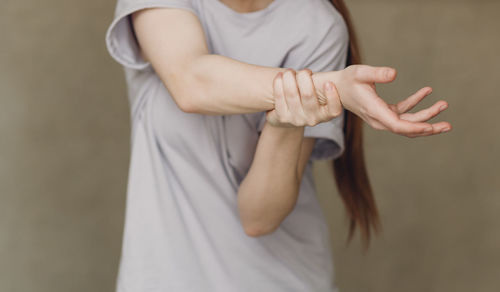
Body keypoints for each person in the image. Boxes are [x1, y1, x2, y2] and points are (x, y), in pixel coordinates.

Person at [104, 0, 451, 291]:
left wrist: (285, 121)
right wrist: (331, 87)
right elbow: (192, 82)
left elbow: (258, 218)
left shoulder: (317, 24)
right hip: (162, 278)